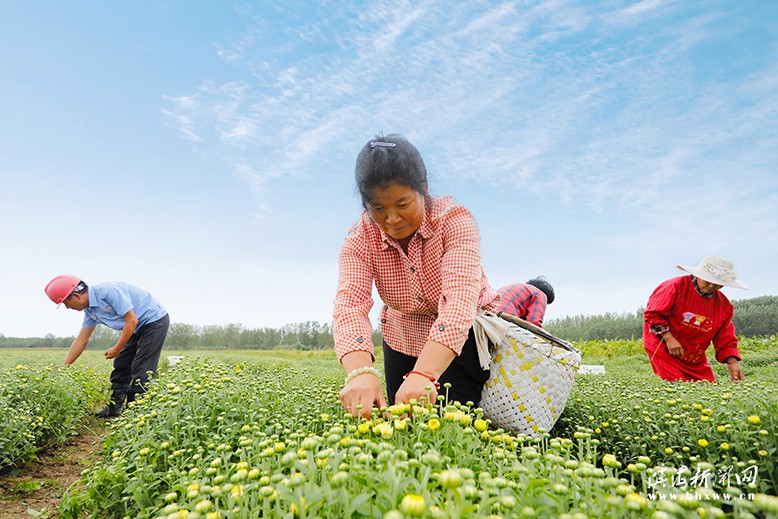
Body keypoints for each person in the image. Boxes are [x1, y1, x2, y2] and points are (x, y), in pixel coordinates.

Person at [333, 134, 499, 419]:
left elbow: (458, 302)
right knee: (401, 420)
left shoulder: (454, 220)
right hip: (402, 334)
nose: (392, 219)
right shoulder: (359, 239)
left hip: (462, 336)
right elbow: (350, 305)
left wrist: (424, 373)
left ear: (423, 189)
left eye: (402, 204)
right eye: (378, 208)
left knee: (451, 422)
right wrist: (360, 373)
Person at [44, 275, 170, 417]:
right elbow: (82, 339)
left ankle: (136, 414)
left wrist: (117, 348)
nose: (67, 308)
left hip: (153, 321)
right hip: (134, 326)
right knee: (121, 364)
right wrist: (64, 367)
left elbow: (132, 320)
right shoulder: (90, 311)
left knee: (142, 368)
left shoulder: (110, 291)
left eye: (66, 303)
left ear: (75, 296)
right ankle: (113, 410)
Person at [643, 256, 748, 383]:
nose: (711, 286)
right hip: (665, 349)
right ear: (698, 275)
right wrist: (669, 338)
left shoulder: (724, 306)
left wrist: (732, 362)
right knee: (675, 387)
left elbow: (725, 336)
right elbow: (653, 314)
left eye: (717, 284)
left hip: (694, 357)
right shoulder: (675, 286)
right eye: (707, 281)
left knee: (708, 390)